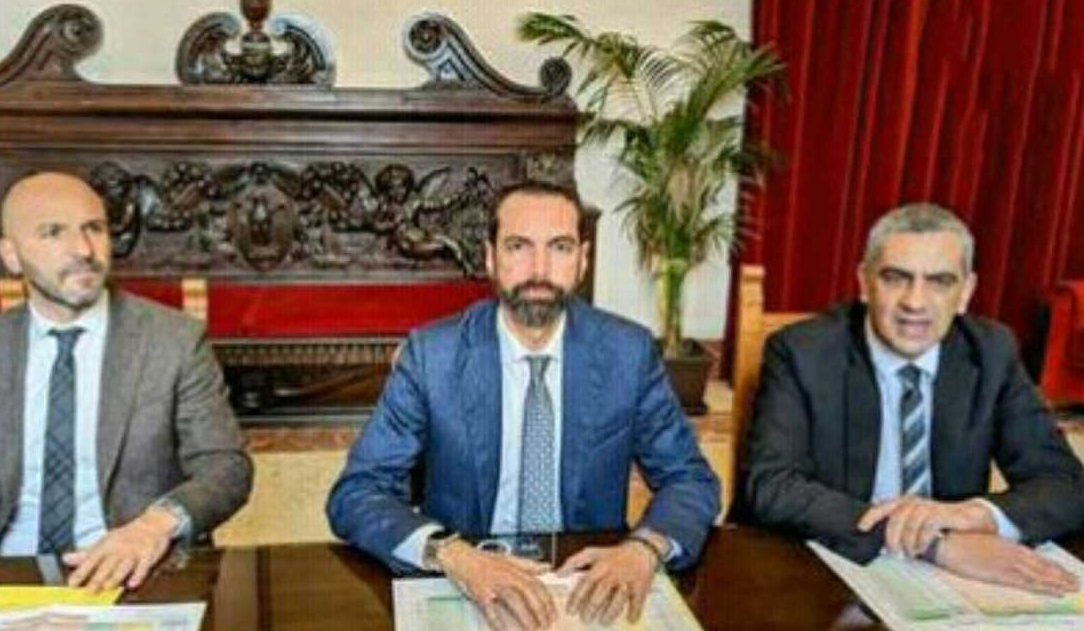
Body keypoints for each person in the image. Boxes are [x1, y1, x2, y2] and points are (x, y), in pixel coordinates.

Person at [327, 181, 719, 630]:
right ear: (490, 257)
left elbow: (690, 480)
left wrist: (644, 548)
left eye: (559, 247)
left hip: (585, 587)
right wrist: (451, 555)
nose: (539, 269)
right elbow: (357, 493)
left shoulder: (627, 354)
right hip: (468, 580)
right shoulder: (432, 356)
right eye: (519, 246)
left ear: (583, 260)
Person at [0, 172, 253, 622]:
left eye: (94, 228)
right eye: (53, 232)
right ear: (11, 255)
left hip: (133, 575)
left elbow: (225, 467)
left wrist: (154, 526)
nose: (83, 249)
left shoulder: (173, 341)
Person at [741, 202, 1084, 595]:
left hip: (952, 585)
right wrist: (934, 543)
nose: (915, 302)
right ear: (864, 282)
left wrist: (978, 514)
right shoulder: (803, 352)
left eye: (940, 281)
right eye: (895, 278)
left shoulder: (991, 352)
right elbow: (772, 486)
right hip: (827, 569)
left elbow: (1066, 483)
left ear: (966, 292)